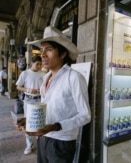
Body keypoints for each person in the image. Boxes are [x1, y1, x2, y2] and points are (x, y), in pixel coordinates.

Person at [16, 26, 91, 163]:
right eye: (42, 50)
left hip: (62, 142)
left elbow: (85, 115)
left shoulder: (74, 78)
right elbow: (49, 107)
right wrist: (31, 119)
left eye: (49, 50)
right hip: (43, 137)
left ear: (62, 54)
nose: (43, 54)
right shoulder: (45, 78)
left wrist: (57, 126)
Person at [16, 55, 45, 154]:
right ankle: (29, 145)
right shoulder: (25, 73)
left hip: (40, 99)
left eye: (41, 64)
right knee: (28, 122)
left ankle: (39, 143)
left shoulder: (43, 73)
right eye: (37, 64)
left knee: (39, 121)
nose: (39, 66)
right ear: (32, 63)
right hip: (28, 99)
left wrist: (41, 90)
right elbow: (18, 86)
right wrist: (28, 90)